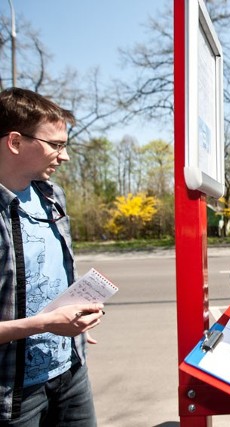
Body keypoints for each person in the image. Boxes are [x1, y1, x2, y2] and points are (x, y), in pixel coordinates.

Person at [0, 88, 105, 425]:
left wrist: (74, 315)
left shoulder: (52, 196)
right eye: (56, 145)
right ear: (15, 142)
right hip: (14, 394)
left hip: (71, 372)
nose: (65, 156)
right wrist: (45, 324)